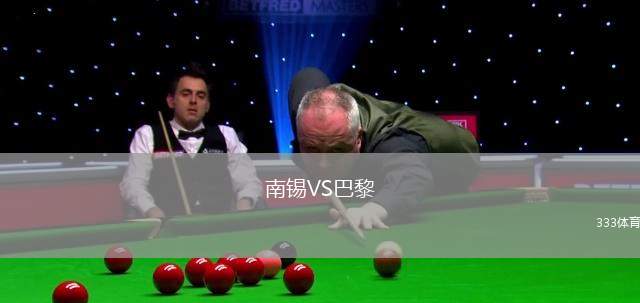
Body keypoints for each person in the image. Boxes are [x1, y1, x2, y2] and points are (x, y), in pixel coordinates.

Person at [288, 67, 479, 230]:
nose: (322, 164)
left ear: (358, 139)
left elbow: (413, 175)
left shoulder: (388, 141)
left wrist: (374, 209)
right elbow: (309, 75)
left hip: (456, 160)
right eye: (312, 148)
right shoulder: (307, 112)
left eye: (337, 150)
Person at [121, 65, 263, 218]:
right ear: (171, 101)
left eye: (201, 96)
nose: (193, 101)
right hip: (169, 225)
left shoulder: (226, 135)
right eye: (186, 94)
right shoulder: (148, 135)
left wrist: (244, 205)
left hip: (220, 224)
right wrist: (152, 211)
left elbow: (247, 180)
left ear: (207, 105)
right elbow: (133, 184)